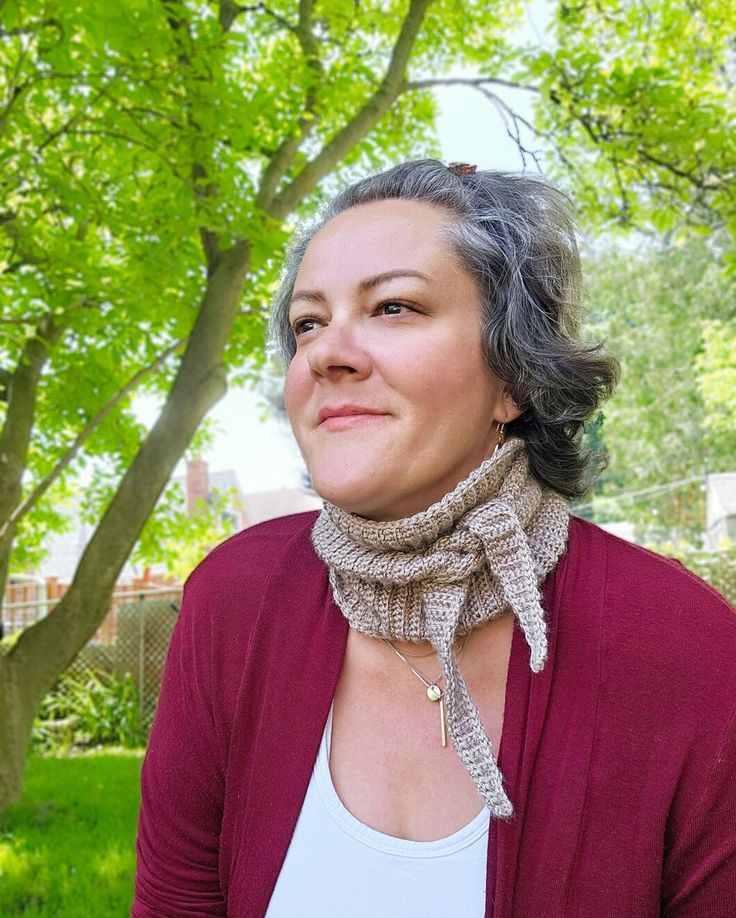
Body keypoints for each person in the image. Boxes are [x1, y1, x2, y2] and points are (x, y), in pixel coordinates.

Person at [132, 160, 736, 917]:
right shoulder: (235, 599)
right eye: (308, 322)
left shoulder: (687, 647)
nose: (325, 352)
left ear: (514, 376)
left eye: (392, 307)